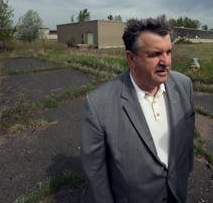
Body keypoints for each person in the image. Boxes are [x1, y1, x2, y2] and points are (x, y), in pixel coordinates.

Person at [81, 16, 195, 203]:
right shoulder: (98, 104)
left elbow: (187, 142)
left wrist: (184, 173)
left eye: (168, 52)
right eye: (155, 54)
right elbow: (96, 172)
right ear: (131, 58)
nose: (166, 62)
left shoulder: (184, 85)